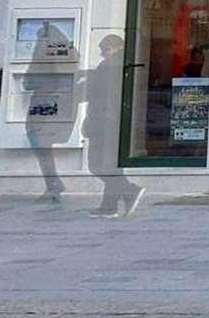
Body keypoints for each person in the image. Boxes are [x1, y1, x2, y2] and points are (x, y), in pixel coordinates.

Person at [18, 27, 80, 204]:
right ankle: (53, 182)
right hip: (61, 102)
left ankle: (52, 183)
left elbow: (28, 82)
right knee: (43, 141)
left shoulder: (43, 53)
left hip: (44, 101)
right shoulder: (70, 52)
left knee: (39, 139)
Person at [87, 30, 143, 219]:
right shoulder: (127, 63)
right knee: (111, 164)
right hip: (117, 120)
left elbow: (96, 96)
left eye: (104, 50)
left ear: (111, 48)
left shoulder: (108, 66)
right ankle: (108, 206)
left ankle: (129, 190)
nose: (103, 54)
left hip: (104, 120)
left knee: (96, 164)